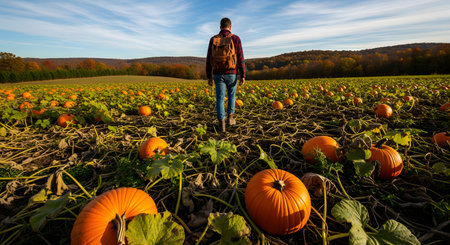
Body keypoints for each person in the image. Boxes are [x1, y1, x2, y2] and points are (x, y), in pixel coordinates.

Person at [206, 17, 246, 133]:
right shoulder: (235, 38)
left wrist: (209, 76)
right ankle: (230, 118)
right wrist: (243, 74)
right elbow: (240, 57)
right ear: (230, 27)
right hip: (232, 73)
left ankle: (221, 123)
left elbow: (209, 59)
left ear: (220, 27)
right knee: (232, 96)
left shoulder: (213, 39)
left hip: (218, 74)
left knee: (219, 98)